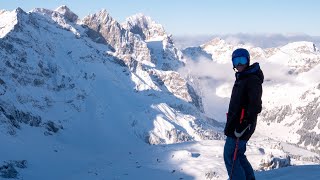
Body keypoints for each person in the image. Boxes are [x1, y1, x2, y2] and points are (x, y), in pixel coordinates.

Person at [223, 48, 264, 180]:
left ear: (248, 61)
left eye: (242, 60)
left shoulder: (251, 80)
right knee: (239, 155)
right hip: (238, 124)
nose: (239, 64)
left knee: (230, 156)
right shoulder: (243, 77)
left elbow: (255, 105)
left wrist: (245, 123)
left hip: (240, 126)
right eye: (236, 61)